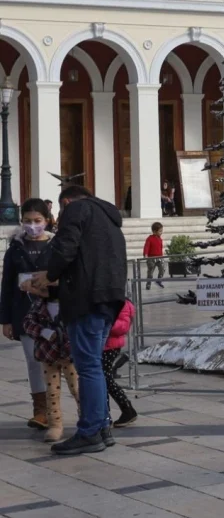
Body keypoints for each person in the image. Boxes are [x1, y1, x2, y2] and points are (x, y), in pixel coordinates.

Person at [32, 185, 128, 455]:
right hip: (109, 299)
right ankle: (102, 428)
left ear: (65, 202)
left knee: (88, 368)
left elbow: (65, 248)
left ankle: (90, 431)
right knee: (94, 366)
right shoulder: (108, 217)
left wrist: (49, 275)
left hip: (86, 300)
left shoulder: (77, 210)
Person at [0, 198, 54, 431]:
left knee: (59, 362)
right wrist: (5, 319)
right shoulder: (16, 248)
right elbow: (7, 285)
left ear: (47, 220)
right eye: (27, 221)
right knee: (33, 360)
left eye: (37, 220)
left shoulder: (56, 245)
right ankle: (40, 410)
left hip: (53, 310)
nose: (32, 225)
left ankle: (57, 408)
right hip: (25, 312)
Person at [21, 288, 79, 443]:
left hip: (68, 354)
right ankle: (55, 425)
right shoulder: (39, 304)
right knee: (52, 391)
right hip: (47, 354)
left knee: (77, 389)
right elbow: (27, 323)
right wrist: (42, 332)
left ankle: (85, 419)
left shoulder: (70, 302)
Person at [103, 300, 137, 428]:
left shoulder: (121, 303)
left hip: (110, 346)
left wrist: (104, 322)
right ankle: (119, 412)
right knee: (104, 379)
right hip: (105, 345)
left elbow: (122, 327)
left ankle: (125, 410)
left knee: (105, 379)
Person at [143, 222, 165, 290]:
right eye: (160, 231)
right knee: (150, 271)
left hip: (159, 257)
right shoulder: (149, 238)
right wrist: (146, 254)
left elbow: (160, 248)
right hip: (151, 258)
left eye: (162, 231)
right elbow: (146, 247)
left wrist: (162, 256)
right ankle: (148, 284)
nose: (161, 232)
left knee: (162, 269)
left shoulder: (160, 239)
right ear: (154, 231)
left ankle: (159, 280)